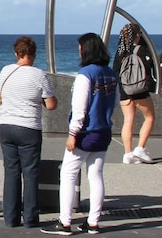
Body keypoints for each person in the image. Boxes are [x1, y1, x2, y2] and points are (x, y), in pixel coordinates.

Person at [41, 33, 118, 236]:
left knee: (68, 174)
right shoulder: (111, 73)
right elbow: (114, 102)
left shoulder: (86, 74)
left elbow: (79, 109)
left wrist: (72, 133)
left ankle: (65, 222)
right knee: (96, 175)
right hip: (104, 131)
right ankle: (93, 222)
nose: (79, 51)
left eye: (80, 48)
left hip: (85, 132)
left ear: (86, 50)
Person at [0, 36, 57, 228]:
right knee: (30, 174)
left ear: (17, 53)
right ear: (34, 54)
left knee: (11, 172)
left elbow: (0, 98)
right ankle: (30, 218)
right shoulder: (39, 75)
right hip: (29, 127)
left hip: (6, 125)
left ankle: (10, 218)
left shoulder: (5, 71)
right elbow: (51, 104)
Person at [113, 23, 156, 164]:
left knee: (128, 121)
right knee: (149, 117)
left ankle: (127, 153)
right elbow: (149, 69)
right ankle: (140, 148)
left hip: (124, 90)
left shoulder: (120, 52)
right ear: (137, 35)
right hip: (139, 90)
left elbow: (115, 71)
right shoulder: (141, 50)